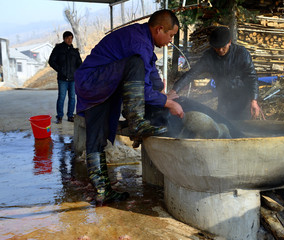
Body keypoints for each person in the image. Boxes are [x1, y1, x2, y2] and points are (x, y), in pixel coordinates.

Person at [74, 9, 184, 206]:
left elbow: (152, 81)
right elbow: (142, 87)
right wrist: (169, 103)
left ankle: (102, 191)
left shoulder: (144, 41)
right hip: (94, 82)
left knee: (98, 137)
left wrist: (163, 95)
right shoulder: (139, 44)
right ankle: (137, 122)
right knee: (134, 64)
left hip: (104, 83)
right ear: (159, 29)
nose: (171, 40)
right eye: (171, 35)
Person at [170, 26, 260, 120]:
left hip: (243, 100)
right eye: (217, 48)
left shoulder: (241, 53)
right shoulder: (209, 57)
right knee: (223, 127)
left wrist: (254, 100)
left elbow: (251, 77)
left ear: (229, 42)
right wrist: (174, 90)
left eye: (223, 47)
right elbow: (191, 74)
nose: (220, 50)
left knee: (243, 129)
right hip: (224, 101)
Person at [49, 31, 82, 124]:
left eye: (71, 38)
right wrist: (60, 70)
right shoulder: (58, 49)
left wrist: (80, 72)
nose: (70, 40)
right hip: (62, 79)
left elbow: (79, 64)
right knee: (61, 97)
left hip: (73, 79)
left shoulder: (75, 51)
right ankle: (59, 116)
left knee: (72, 98)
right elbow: (51, 61)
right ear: (64, 38)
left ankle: (70, 116)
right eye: (68, 38)